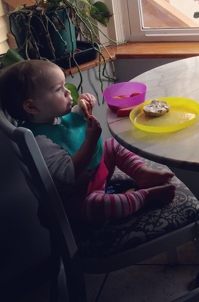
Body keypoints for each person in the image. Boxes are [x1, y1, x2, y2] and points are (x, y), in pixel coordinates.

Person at [0, 59, 176, 224]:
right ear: (31, 107)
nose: (68, 92)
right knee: (102, 206)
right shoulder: (40, 141)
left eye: (65, 86)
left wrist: (85, 103)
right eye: (58, 89)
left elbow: (76, 116)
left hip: (95, 174)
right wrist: (91, 140)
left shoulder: (56, 117)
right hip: (78, 196)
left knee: (112, 145)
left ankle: (141, 173)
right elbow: (71, 173)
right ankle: (145, 197)